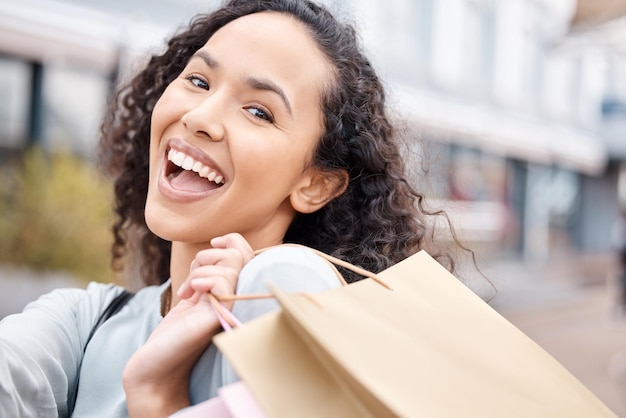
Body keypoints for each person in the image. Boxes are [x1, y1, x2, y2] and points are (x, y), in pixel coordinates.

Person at [0, 0, 470, 416]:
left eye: (259, 111)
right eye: (199, 80)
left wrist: (158, 398)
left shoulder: (298, 296)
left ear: (315, 184)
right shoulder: (87, 322)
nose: (200, 117)